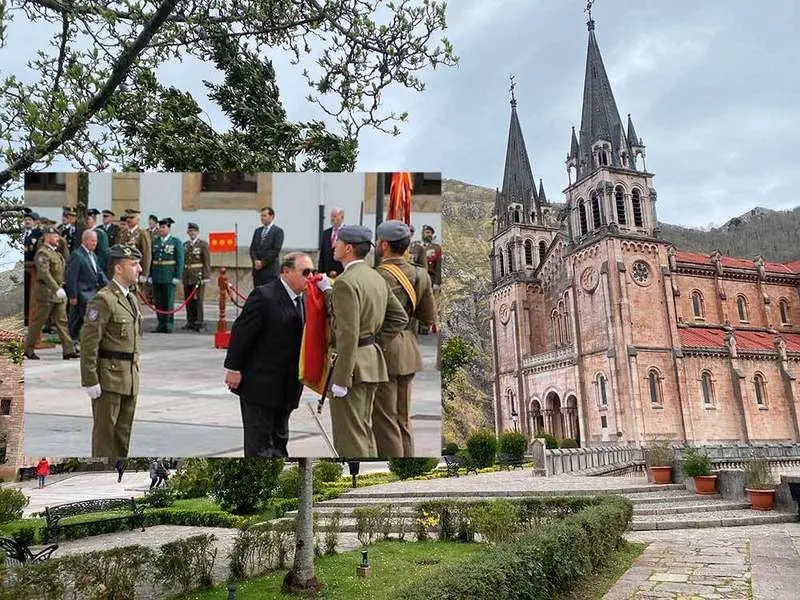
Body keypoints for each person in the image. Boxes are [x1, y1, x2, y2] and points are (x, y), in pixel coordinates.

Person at [223, 252, 317, 457]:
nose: (310, 276)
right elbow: (242, 333)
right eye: (305, 272)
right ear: (286, 271)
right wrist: (234, 368)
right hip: (261, 386)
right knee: (259, 447)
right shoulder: (264, 296)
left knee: (280, 443)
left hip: (287, 387)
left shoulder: (303, 299)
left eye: (313, 271)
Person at [327, 225, 409, 457]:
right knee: (363, 431)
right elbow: (399, 317)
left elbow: (347, 334)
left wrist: (341, 379)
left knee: (350, 438)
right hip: (371, 363)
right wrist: (373, 342)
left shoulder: (345, 282)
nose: (335, 246)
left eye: (339, 243)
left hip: (351, 369)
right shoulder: (376, 276)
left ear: (349, 248)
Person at [373, 220, 437, 456]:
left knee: (385, 419)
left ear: (384, 245)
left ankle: (396, 462)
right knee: (403, 417)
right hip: (409, 349)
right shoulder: (420, 274)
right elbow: (428, 317)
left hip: (383, 350)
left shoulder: (377, 276)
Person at [79, 244, 143, 458]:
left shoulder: (131, 299)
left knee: (122, 438)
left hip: (129, 378)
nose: (139, 269)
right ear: (118, 268)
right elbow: (89, 342)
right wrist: (90, 379)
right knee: (105, 440)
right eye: (133, 264)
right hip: (108, 379)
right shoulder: (103, 299)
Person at [23, 226, 79, 360]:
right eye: (54, 236)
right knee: (38, 322)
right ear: (47, 237)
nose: (57, 239)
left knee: (62, 321)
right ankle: (28, 349)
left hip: (57, 294)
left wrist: (61, 287)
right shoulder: (43, 253)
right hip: (45, 293)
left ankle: (68, 350)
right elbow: (44, 273)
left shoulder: (56, 253)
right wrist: (56, 288)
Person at [65, 229, 108, 349]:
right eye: (93, 241)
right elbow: (71, 277)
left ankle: (80, 342)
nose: (95, 243)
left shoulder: (93, 255)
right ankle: (74, 342)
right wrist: (72, 295)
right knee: (78, 320)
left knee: (85, 319)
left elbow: (99, 273)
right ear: (85, 240)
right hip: (81, 293)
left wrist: (110, 287)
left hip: (91, 293)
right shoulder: (77, 255)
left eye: (96, 241)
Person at [149, 217, 184, 333]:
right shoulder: (155, 242)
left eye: (164, 227)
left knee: (168, 301)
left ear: (169, 228)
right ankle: (161, 323)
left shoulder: (175, 242)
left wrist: (177, 276)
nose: (161, 230)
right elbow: (151, 260)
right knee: (158, 301)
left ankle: (169, 324)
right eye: (160, 227)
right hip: (157, 275)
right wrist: (150, 275)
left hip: (169, 276)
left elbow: (180, 260)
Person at [182, 222, 211, 331]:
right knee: (188, 299)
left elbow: (206, 261)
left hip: (198, 275)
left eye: (194, 231)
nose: (192, 233)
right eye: (190, 231)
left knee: (198, 300)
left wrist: (206, 276)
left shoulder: (202, 244)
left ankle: (199, 322)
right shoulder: (185, 245)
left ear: (197, 232)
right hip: (187, 275)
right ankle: (190, 321)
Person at [248, 206, 284, 287]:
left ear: (271, 216)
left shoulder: (278, 231)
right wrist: (255, 261)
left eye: (264, 216)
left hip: (270, 271)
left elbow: (275, 250)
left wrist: (262, 263)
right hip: (257, 272)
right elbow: (252, 248)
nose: (262, 218)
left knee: (269, 296)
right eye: (261, 216)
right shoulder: (258, 231)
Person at [116, 209, 151, 287]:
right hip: (123, 271)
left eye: (131, 218)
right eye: (127, 218)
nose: (128, 220)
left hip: (136, 271)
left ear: (138, 219)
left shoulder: (142, 234)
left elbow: (146, 255)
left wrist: (144, 274)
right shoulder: (122, 233)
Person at [23, 211, 43, 327]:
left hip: (32, 269)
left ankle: (31, 318)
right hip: (22, 267)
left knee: (31, 295)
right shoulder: (23, 233)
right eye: (26, 220)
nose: (27, 221)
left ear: (35, 222)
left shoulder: (38, 234)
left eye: (29, 220)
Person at [319, 207, 345, 277]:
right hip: (327, 274)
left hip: (342, 273)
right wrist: (320, 272)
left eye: (335, 216)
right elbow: (322, 254)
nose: (332, 219)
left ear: (342, 217)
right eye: (331, 216)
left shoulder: (346, 233)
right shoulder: (326, 233)